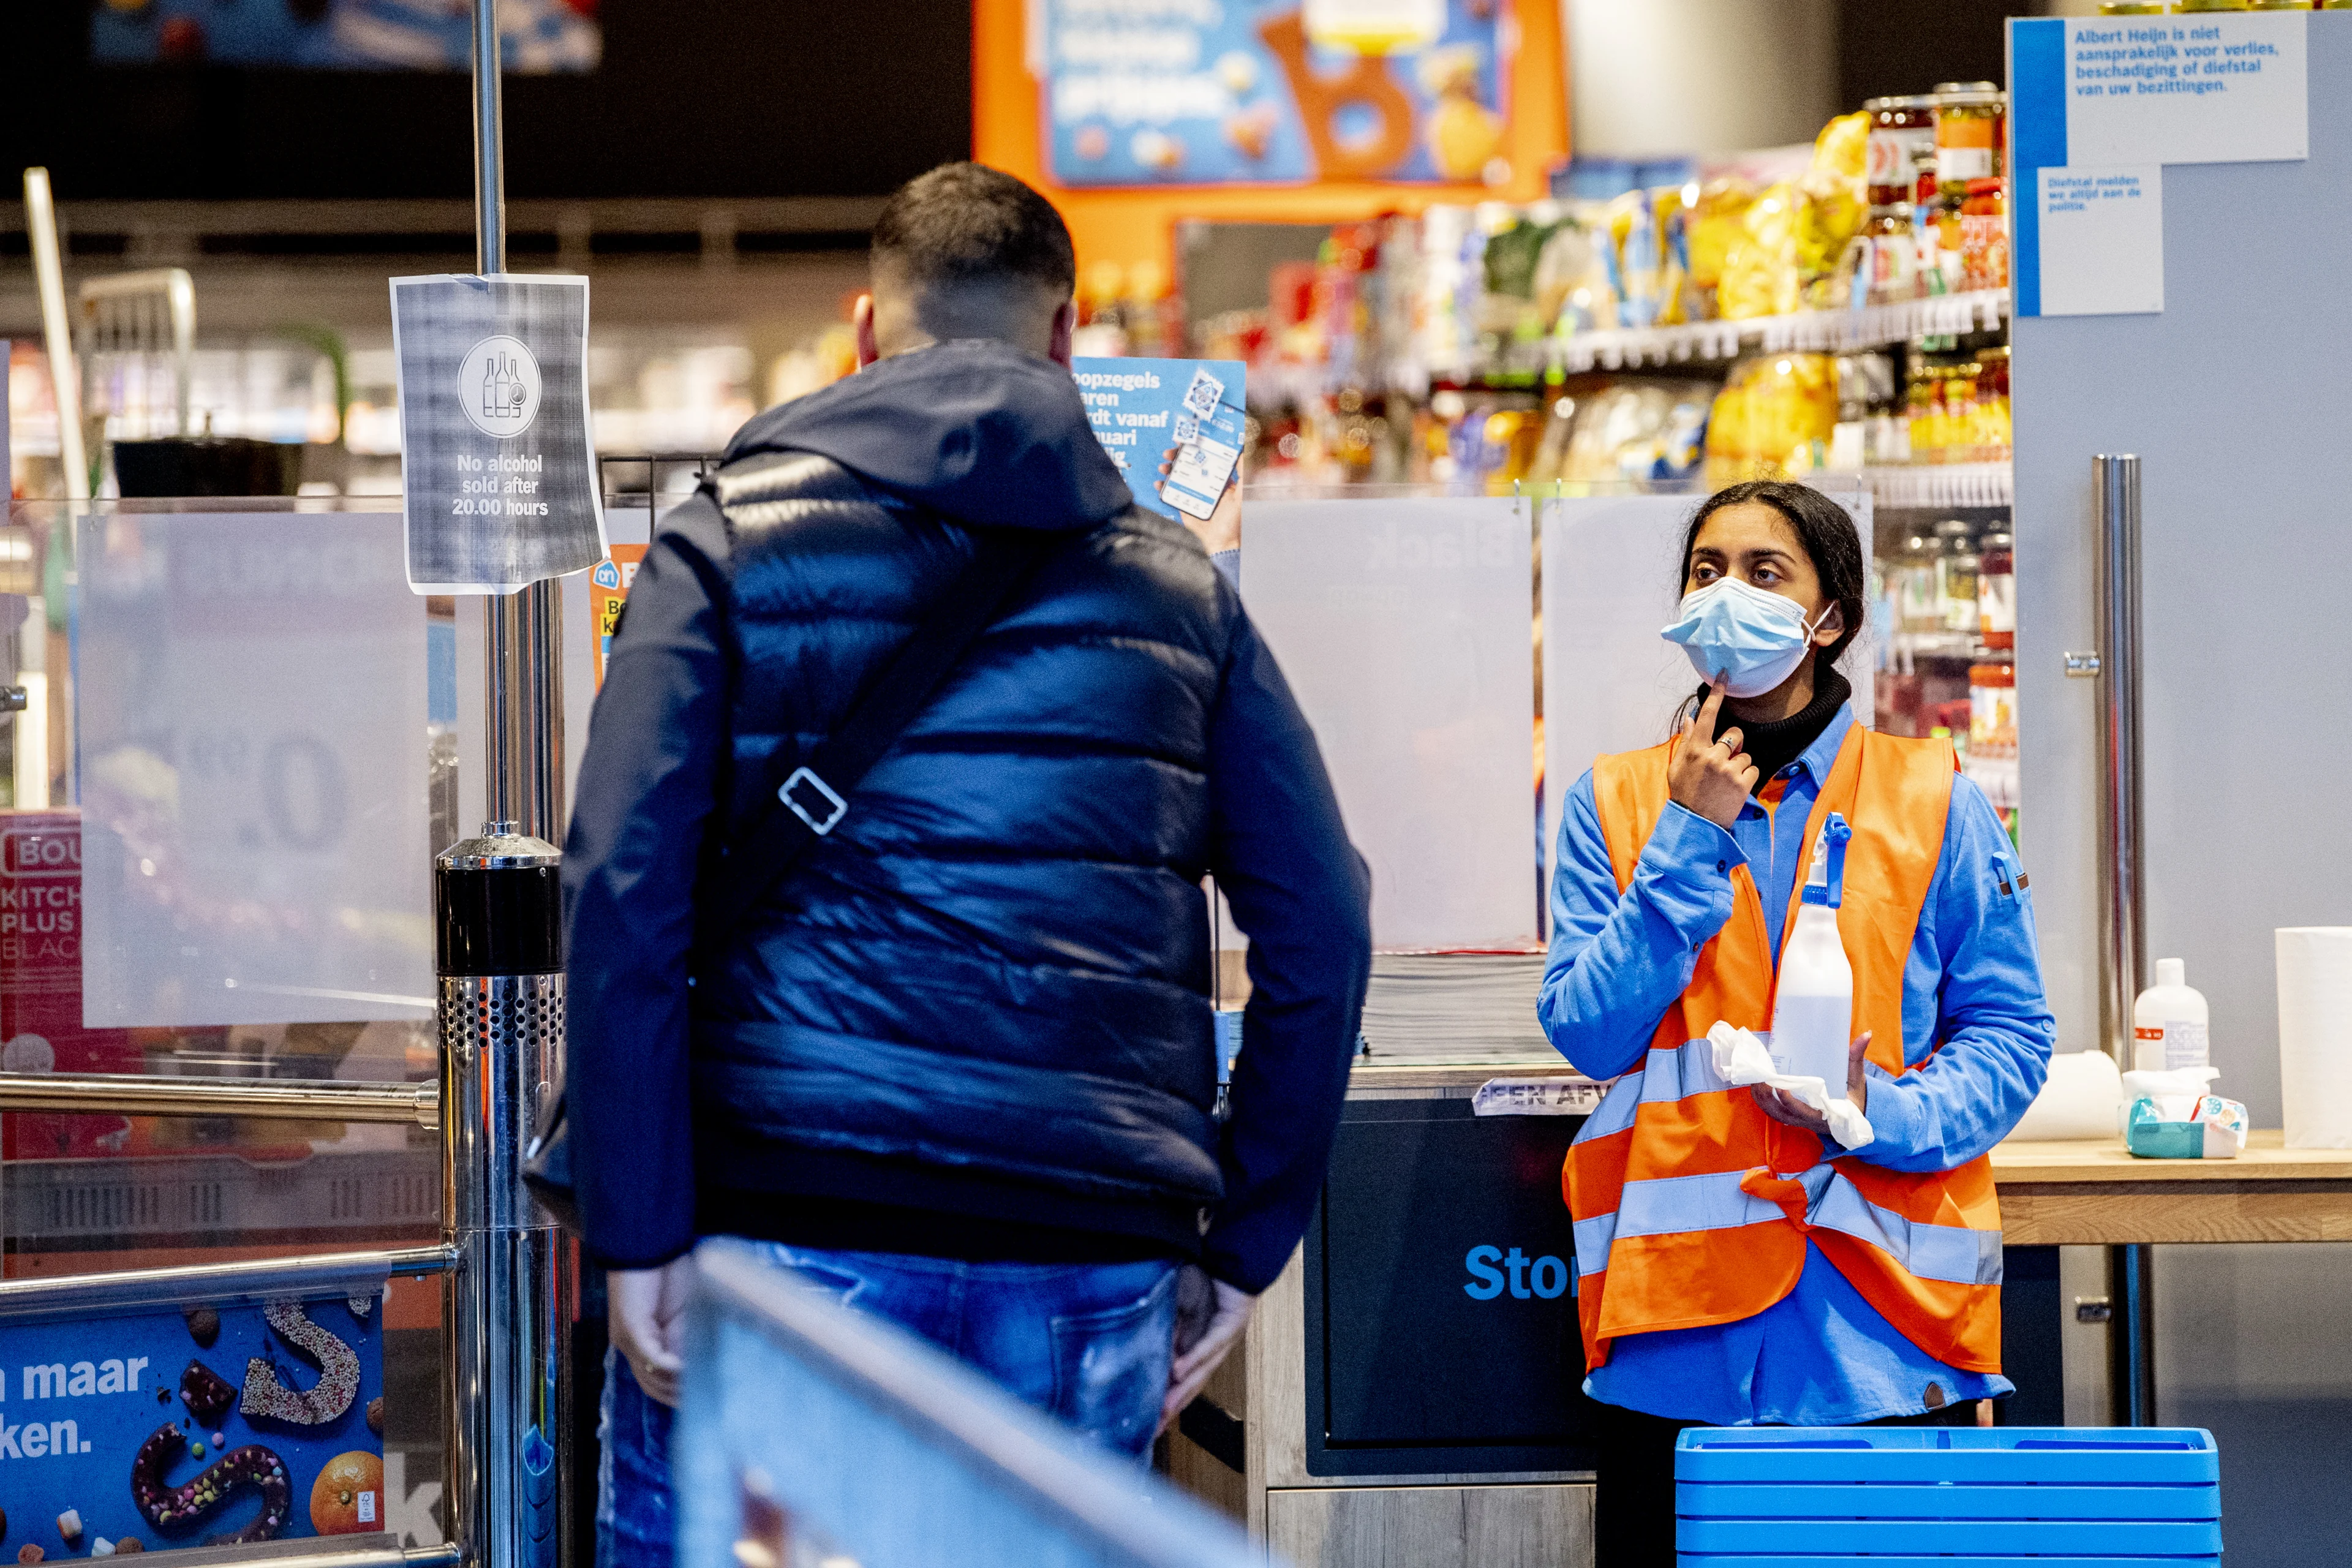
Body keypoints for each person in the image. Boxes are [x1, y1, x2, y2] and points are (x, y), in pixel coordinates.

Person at [562, 162, 1371, 1566]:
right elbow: (1326, 927)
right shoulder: (1179, 591)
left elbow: (622, 891)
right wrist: (1245, 1240)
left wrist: (636, 1228)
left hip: (782, 1231)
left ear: (865, 325)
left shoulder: (721, 543)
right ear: (1067, 338)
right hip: (1083, 1250)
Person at [1537, 480, 2054, 1566]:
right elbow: (1587, 1032)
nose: (1726, 593)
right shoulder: (1617, 803)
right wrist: (1687, 836)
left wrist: (1889, 1114)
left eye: (1765, 572)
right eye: (1706, 570)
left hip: (1886, 1332)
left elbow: (2010, 1032)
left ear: (1831, 619)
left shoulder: (1935, 798)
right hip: (1678, 1337)